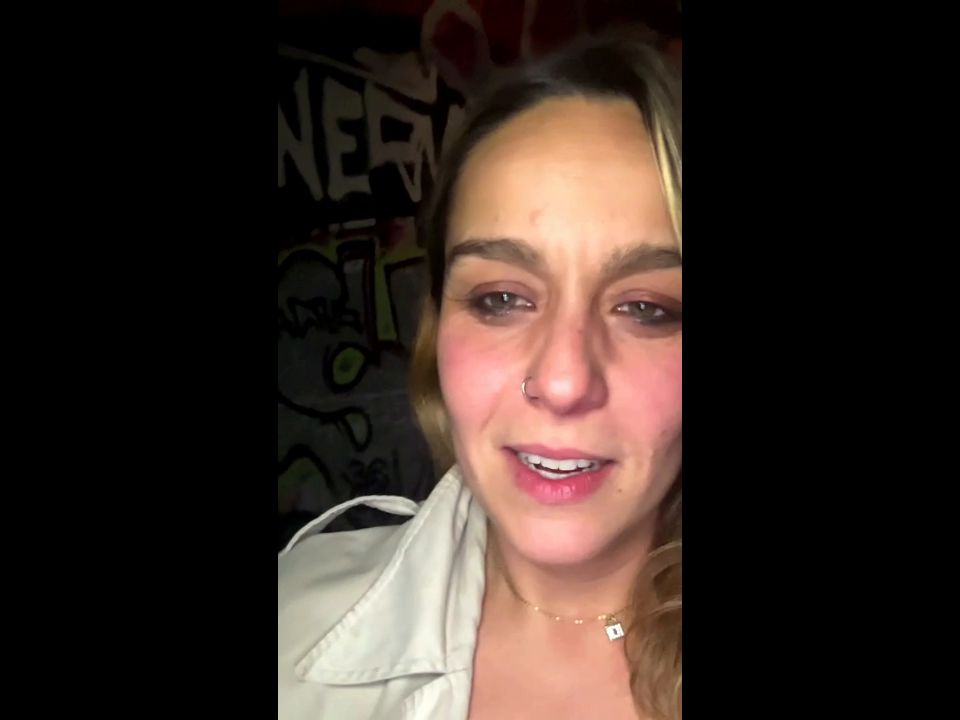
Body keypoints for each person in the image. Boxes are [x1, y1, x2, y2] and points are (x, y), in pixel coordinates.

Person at [278, 28, 682, 720]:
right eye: (501, 299)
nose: (563, 382)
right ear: (438, 326)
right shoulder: (291, 624)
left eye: (645, 308)